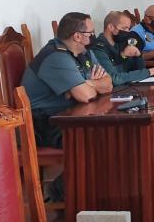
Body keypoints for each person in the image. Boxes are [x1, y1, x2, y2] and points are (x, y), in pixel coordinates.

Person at [21, 12, 113, 202]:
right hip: (43, 124)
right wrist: (87, 87)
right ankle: (61, 192)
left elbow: (108, 83)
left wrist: (86, 83)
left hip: (68, 116)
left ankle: (97, 194)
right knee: (98, 142)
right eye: (90, 33)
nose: (94, 36)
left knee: (112, 135)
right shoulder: (55, 57)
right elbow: (86, 96)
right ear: (77, 36)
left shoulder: (84, 53)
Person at [91, 11, 154, 86]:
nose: (128, 32)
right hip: (114, 91)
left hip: (129, 87)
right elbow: (115, 79)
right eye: (124, 28)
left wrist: (138, 56)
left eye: (128, 28)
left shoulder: (121, 43)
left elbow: (139, 70)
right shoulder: (98, 48)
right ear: (111, 27)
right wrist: (148, 72)